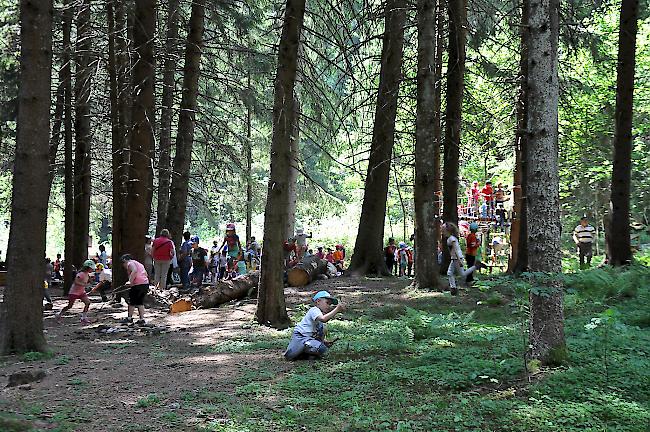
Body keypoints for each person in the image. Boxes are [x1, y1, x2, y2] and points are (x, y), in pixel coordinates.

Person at [284, 291, 345, 360]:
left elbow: (315, 332)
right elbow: (323, 319)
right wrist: (337, 309)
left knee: (322, 329)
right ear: (318, 301)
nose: (329, 306)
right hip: (301, 338)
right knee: (323, 349)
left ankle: (305, 354)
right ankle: (300, 353)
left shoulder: (318, 315)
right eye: (327, 303)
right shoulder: (314, 310)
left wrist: (324, 341)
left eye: (330, 304)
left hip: (307, 339)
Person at [443, 222, 484, 296]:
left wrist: (459, 260)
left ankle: (476, 266)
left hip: (456, 258)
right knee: (450, 273)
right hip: (455, 258)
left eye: (443, 229)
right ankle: (453, 288)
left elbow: (456, 249)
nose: (442, 231)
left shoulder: (452, 239)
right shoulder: (451, 238)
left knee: (461, 274)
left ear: (447, 230)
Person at [56, 259, 95, 324]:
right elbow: (76, 281)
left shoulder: (87, 274)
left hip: (81, 292)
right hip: (74, 292)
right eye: (91, 268)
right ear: (88, 268)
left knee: (87, 303)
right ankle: (59, 314)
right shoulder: (81, 274)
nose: (92, 270)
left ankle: (83, 317)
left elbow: (87, 281)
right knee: (70, 306)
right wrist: (84, 285)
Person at [119, 254, 150, 325]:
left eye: (123, 263)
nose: (123, 266)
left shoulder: (130, 263)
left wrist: (130, 281)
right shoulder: (140, 264)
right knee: (140, 302)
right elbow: (146, 274)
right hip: (145, 284)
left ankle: (129, 318)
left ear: (125, 260)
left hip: (138, 284)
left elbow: (134, 271)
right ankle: (142, 319)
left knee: (132, 302)